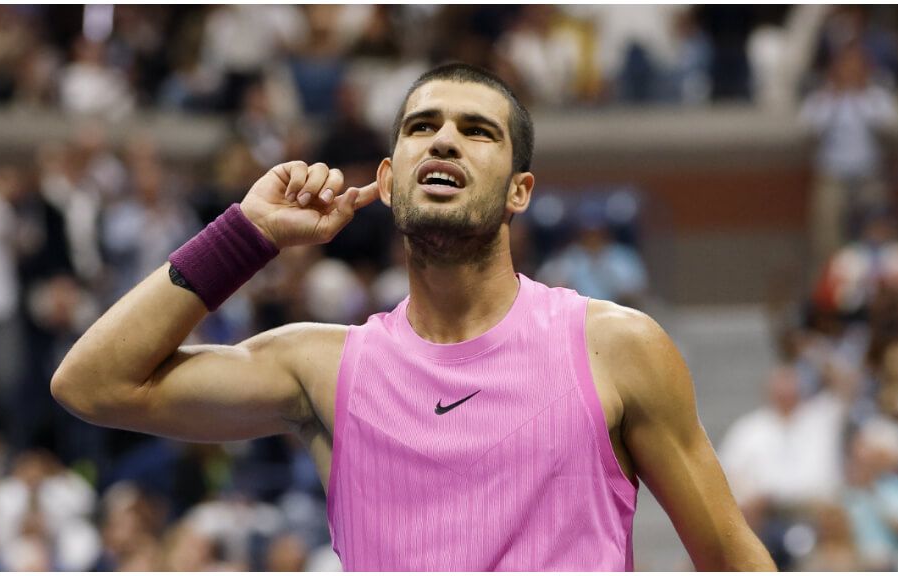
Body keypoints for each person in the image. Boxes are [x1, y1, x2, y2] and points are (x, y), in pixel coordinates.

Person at [53, 63, 774, 571]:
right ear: (390, 181)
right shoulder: (325, 366)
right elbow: (93, 385)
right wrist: (249, 232)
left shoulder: (616, 347)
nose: (445, 139)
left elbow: (732, 559)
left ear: (520, 191)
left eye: (477, 130)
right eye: (422, 125)